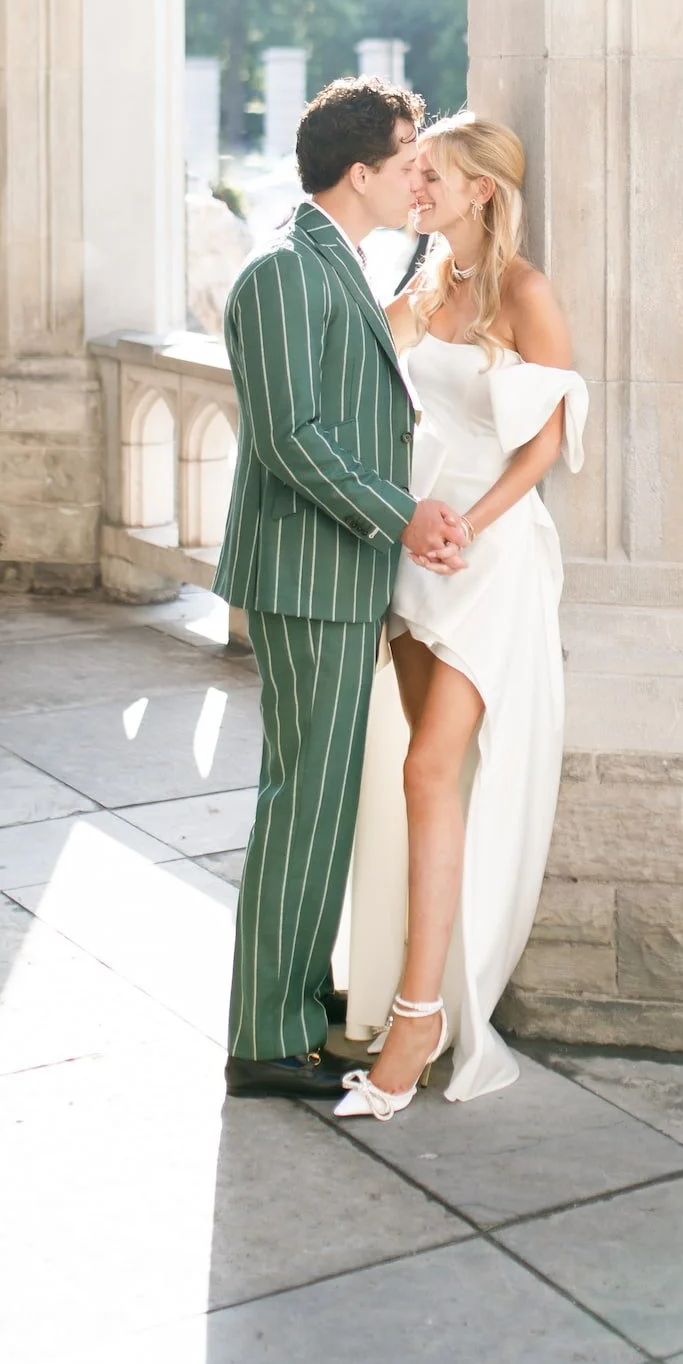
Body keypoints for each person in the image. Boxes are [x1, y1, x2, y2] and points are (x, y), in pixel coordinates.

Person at [215, 78, 469, 1102]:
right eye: (407, 159)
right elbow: (289, 438)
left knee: (317, 800)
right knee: (303, 804)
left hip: (337, 573)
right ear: (358, 172)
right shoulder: (284, 270)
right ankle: (266, 1039)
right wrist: (399, 514)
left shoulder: (337, 261)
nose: (418, 175)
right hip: (306, 574)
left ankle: (292, 997)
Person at [336, 112, 586, 1116]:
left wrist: (467, 528)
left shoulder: (525, 293)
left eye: (430, 174)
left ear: (481, 188)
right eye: (412, 172)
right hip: (419, 541)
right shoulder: (429, 284)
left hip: (487, 551)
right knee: (428, 779)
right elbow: (358, 351)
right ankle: (419, 985)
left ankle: (419, 1015)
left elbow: (547, 442)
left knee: (428, 768)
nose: (416, 186)